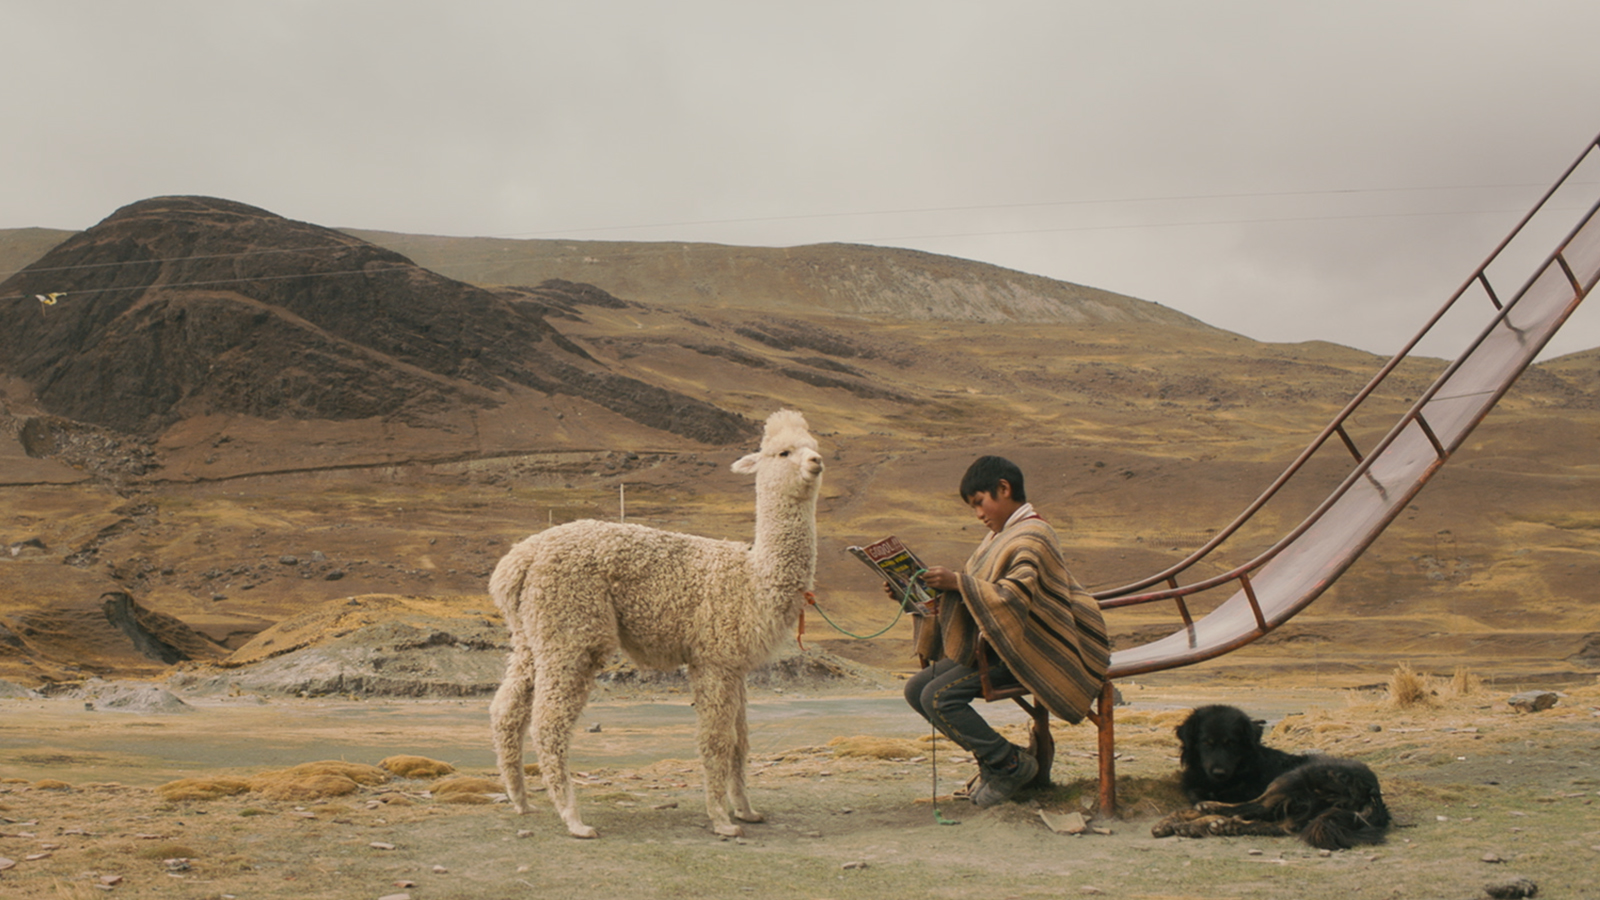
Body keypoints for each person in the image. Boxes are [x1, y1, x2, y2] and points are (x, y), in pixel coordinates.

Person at [900, 455, 1110, 808]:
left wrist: (957, 582)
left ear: (1004, 489)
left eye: (979, 503)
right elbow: (974, 597)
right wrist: (912, 593)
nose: (979, 515)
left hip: (1031, 647)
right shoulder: (998, 538)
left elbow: (1012, 598)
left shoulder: (1034, 535)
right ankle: (1000, 761)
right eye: (973, 507)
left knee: (939, 697)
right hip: (997, 643)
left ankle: (1010, 765)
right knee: (916, 688)